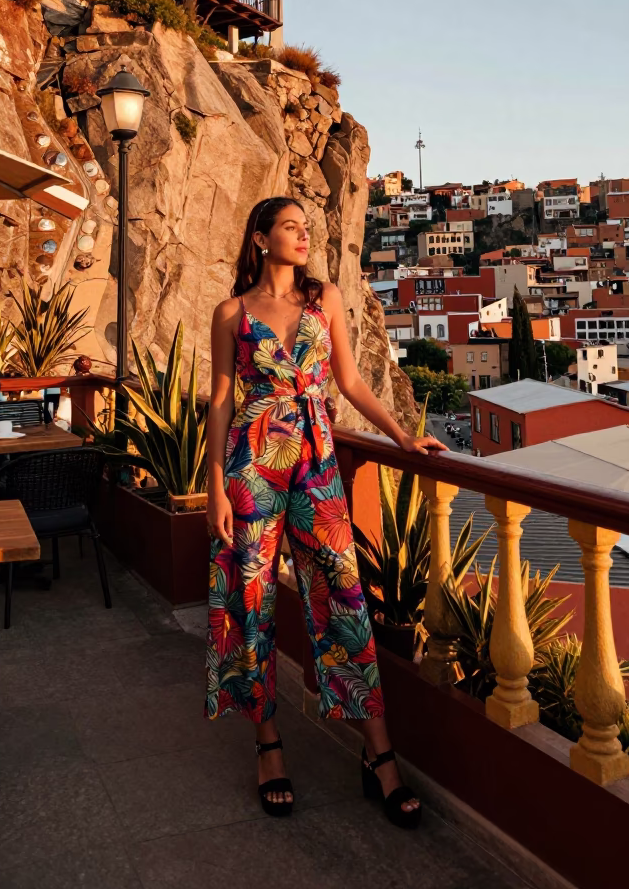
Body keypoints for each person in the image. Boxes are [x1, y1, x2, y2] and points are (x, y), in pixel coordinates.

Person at [205, 197, 448, 824]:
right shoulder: (231, 312)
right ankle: (268, 744)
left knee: (343, 594)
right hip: (252, 463)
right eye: (290, 226)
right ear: (261, 238)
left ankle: (378, 752)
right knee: (250, 599)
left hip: (315, 461)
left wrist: (402, 435)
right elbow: (222, 400)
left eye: (306, 227)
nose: (303, 235)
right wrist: (214, 486)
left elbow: (351, 380)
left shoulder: (325, 299)